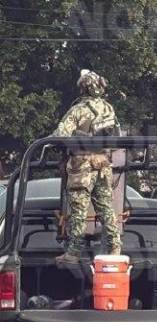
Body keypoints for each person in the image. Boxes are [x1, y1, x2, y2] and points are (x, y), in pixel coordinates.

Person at [52, 70, 121, 265]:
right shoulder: (109, 108)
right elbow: (116, 138)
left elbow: (61, 134)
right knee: (106, 208)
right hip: (103, 166)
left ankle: (74, 252)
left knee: (78, 211)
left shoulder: (78, 109)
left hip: (81, 166)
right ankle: (115, 247)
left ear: (84, 87)